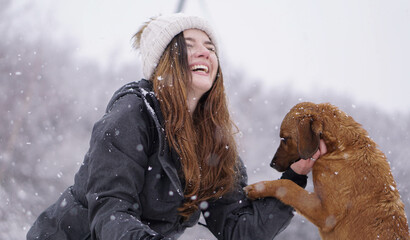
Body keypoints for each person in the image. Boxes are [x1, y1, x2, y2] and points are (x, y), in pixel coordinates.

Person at [27, 13, 326, 240]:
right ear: (164, 62)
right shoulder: (132, 114)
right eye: (189, 45)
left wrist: (294, 178)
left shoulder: (212, 140)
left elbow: (238, 228)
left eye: (210, 47)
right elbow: (110, 210)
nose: (204, 52)